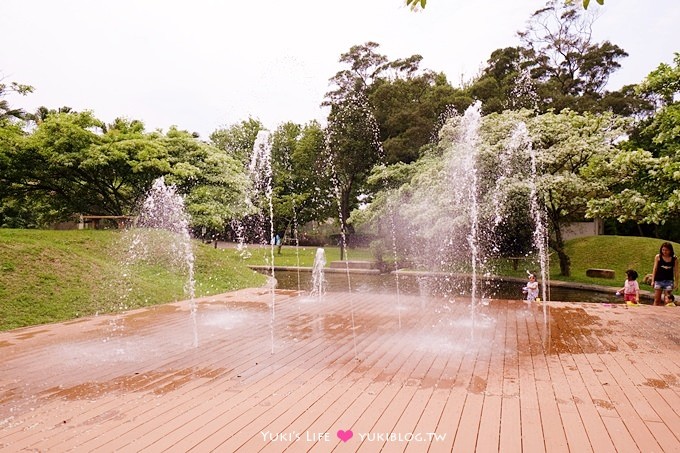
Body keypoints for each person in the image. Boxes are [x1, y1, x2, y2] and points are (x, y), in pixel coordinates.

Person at [651, 242, 680, 306]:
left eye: (666, 250)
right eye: (663, 250)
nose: (664, 252)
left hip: (669, 281)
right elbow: (655, 269)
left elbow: (676, 271)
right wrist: (653, 280)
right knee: (657, 300)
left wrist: (676, 282)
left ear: (670, 250)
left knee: (667, 301)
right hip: (659, 280)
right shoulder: (658, 257)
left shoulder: (674, 259)